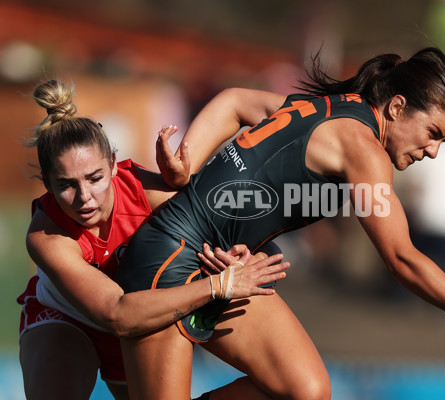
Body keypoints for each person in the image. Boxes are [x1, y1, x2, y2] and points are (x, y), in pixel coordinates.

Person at [116, 47, 445, 400]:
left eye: (444, 141)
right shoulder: (365, 149)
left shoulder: (329, 108)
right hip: (169, 262)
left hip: (224, 269)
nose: (434, 151)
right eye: (433, 133)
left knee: (306, 389)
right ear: (397, 107)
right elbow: (401, 257)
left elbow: (234, 102)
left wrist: (188, 165)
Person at [17, 79, 289, 400]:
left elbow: (237, 229)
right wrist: (219, 286)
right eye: (66, 185)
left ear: (115, 166)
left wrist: (243, 253)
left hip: (145, 313)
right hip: (69, 319)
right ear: (47, 185)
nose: (85, 197)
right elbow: (116, 313)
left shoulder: (146, 193)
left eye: (95, 178)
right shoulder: (45, 235)